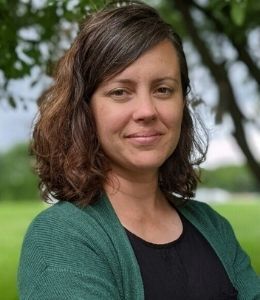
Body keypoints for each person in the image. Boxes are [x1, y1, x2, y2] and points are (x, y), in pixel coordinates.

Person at [18, 1, 260, 299]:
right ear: (85, 110)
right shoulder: (60, 238)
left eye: (163, 89)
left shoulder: (212, 226)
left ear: (182, 105)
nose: (146, 111)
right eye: (120, 92)